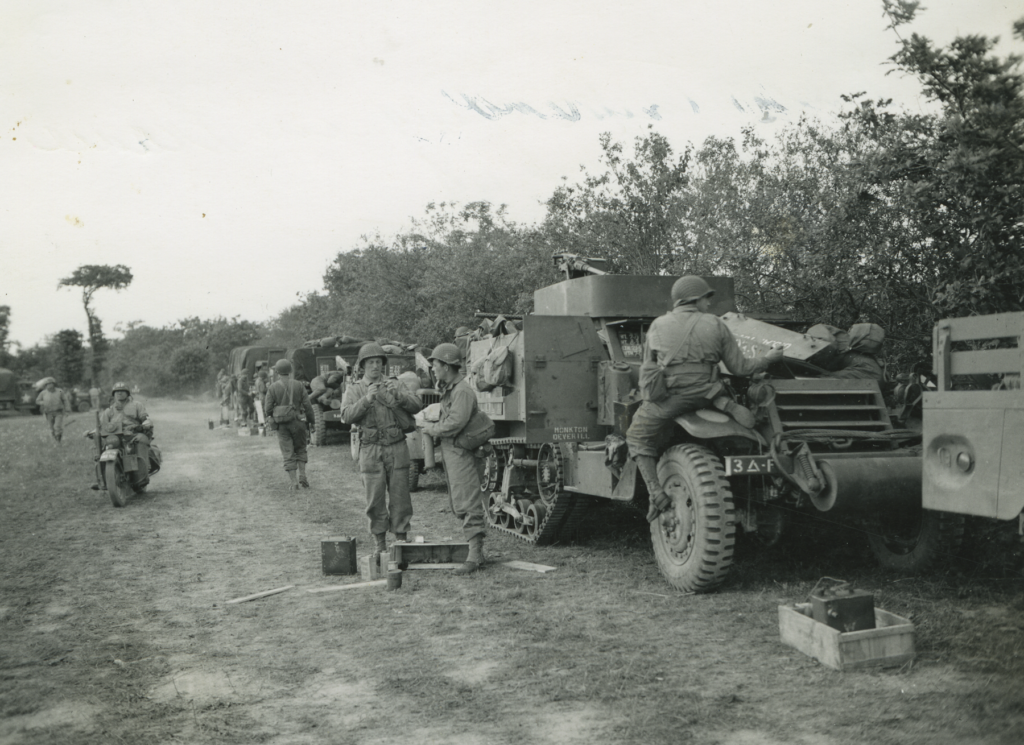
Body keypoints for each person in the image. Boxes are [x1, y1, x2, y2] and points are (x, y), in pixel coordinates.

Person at [626, 275, 784, 521]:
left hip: (672, 397)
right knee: (717, 390)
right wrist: (769, 359)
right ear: (694, 299)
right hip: (706, 393)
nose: (709, 304)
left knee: (636, 436)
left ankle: (655, 494)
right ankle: (724, 403)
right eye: (706, 298)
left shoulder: (658, 325)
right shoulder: (716, 324)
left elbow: (647, 367)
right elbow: (740, 367)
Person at [340, 342, 423, 555]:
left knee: (401, 498)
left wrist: (400, 396)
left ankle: (402, 542)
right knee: (374, 499)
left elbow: (416, 406)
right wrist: (366, 400)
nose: (375, 366)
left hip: (396, 447)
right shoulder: (355, 388)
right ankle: (380, 545)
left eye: (378, 362)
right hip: (370, 449)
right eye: (371, 362)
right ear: (362, 365)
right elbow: (346, 416)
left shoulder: (395, 384)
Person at [419, 343, 487, 575]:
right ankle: (475, 551)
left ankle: (475, 556)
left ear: (447, 366)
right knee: (461, 500)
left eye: (436, 365)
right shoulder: (452, 389)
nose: (434, 370)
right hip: (454, 452)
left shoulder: (462, 392)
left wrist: (433, 430)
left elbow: (456, 422)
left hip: (463, 453)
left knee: (468, 501)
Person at [264, 358, 315, 490]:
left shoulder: (273, 387)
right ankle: (303, 475)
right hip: (298, 422)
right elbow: (308, 406)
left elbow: (267, 409)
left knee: (288, 452)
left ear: (277, 372)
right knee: (301, 449)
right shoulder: (299, 385)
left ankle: (293, 482)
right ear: (290, 371)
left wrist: (275, 414)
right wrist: (312, 422)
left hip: (282, 425)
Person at [100, 382, 154, 485]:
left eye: (122, 391)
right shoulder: (109, 410)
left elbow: (144, 417)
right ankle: (104, 479)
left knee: (141, 440)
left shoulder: (137, 405)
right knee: (102, 448)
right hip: (116, 436)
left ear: (128, 393)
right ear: (113, 394)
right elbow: (102, 425)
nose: (119, 393)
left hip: (133, 433)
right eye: (117, 392)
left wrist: (146, 423)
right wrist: (93, 431)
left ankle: (142, 476)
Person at [35, 378, 71, 443]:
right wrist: (42, 403)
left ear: (54, 384)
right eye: (47, 384)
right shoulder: (43, 393)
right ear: (45, 385)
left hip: (58, 412)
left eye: (51, 384)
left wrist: (67, 410)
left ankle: (58, 441)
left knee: (57, 426)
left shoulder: (60, 391)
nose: (49, 385)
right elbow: (37, 401)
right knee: (51, 428)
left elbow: (65, 400)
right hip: (48, 413)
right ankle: (55, 439)